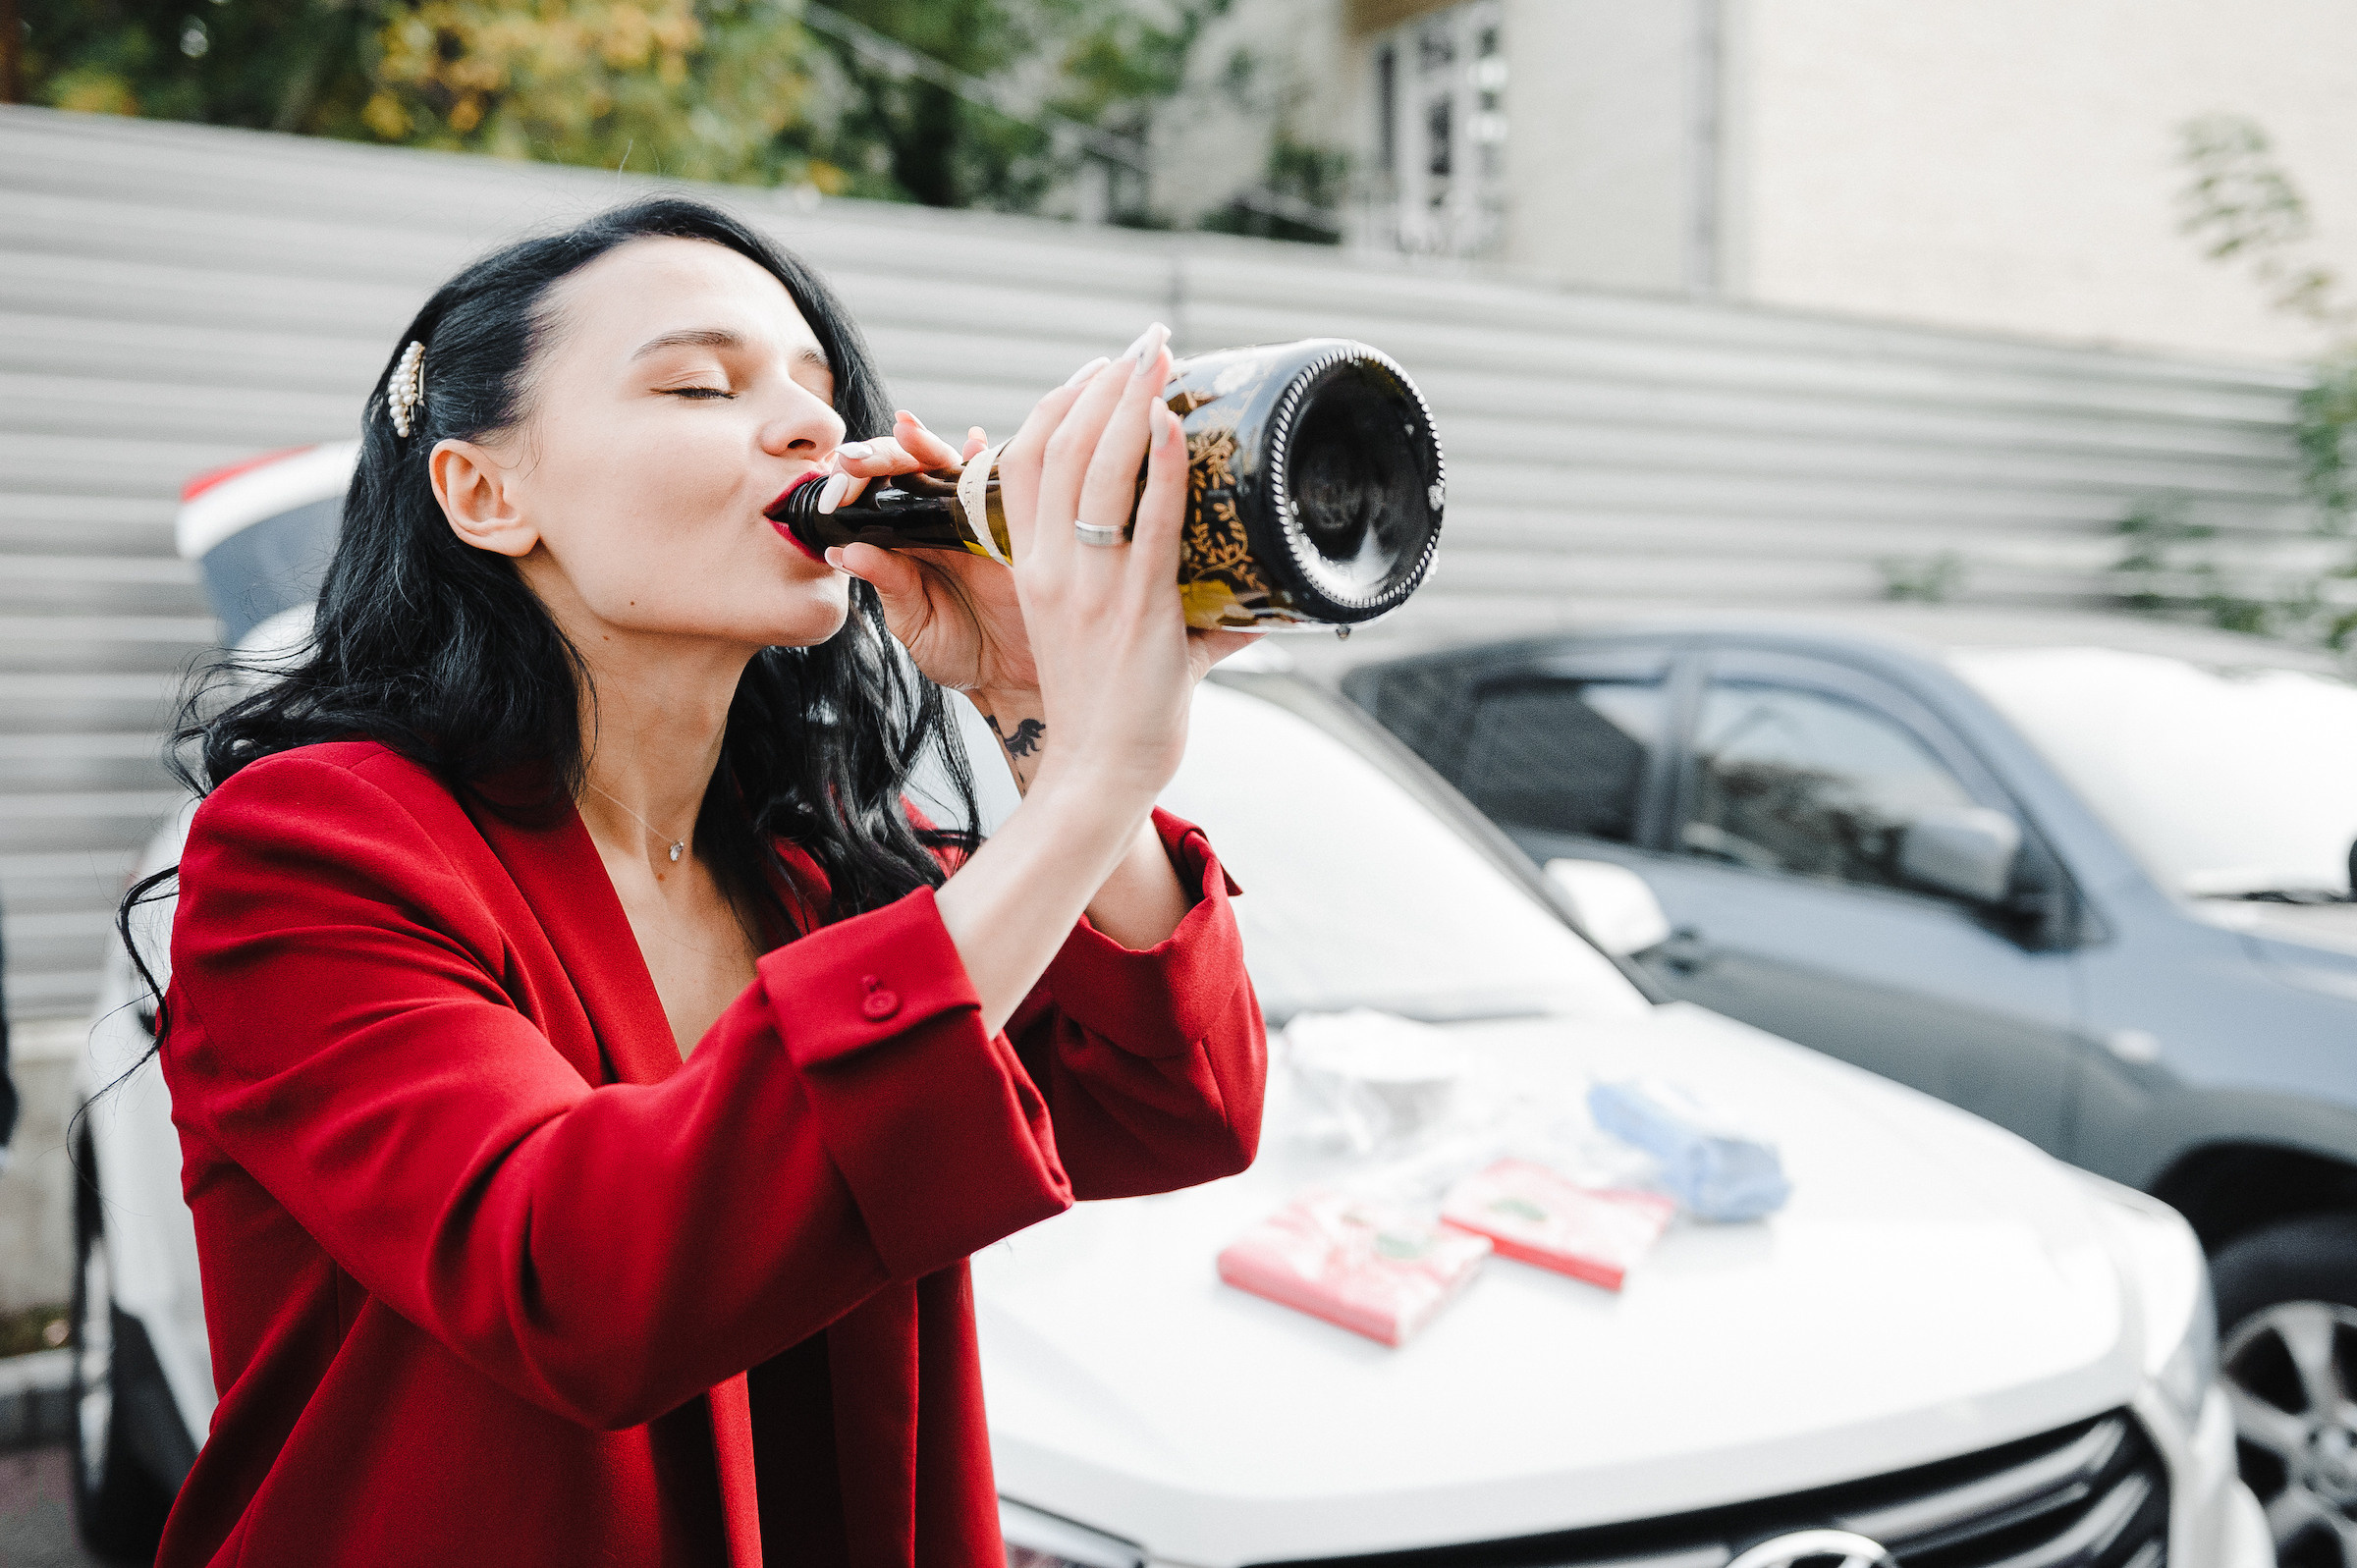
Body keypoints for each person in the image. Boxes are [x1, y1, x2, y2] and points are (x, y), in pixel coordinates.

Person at [142, 197, 1267, 1568]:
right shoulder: (310, 849)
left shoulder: (814, 873)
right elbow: (581, 1280)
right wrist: (1094, 775)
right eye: (698, 382)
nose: (812, 426)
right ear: (485, 493)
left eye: (818, 388)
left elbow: (1176, 1102)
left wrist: (1035, 712)